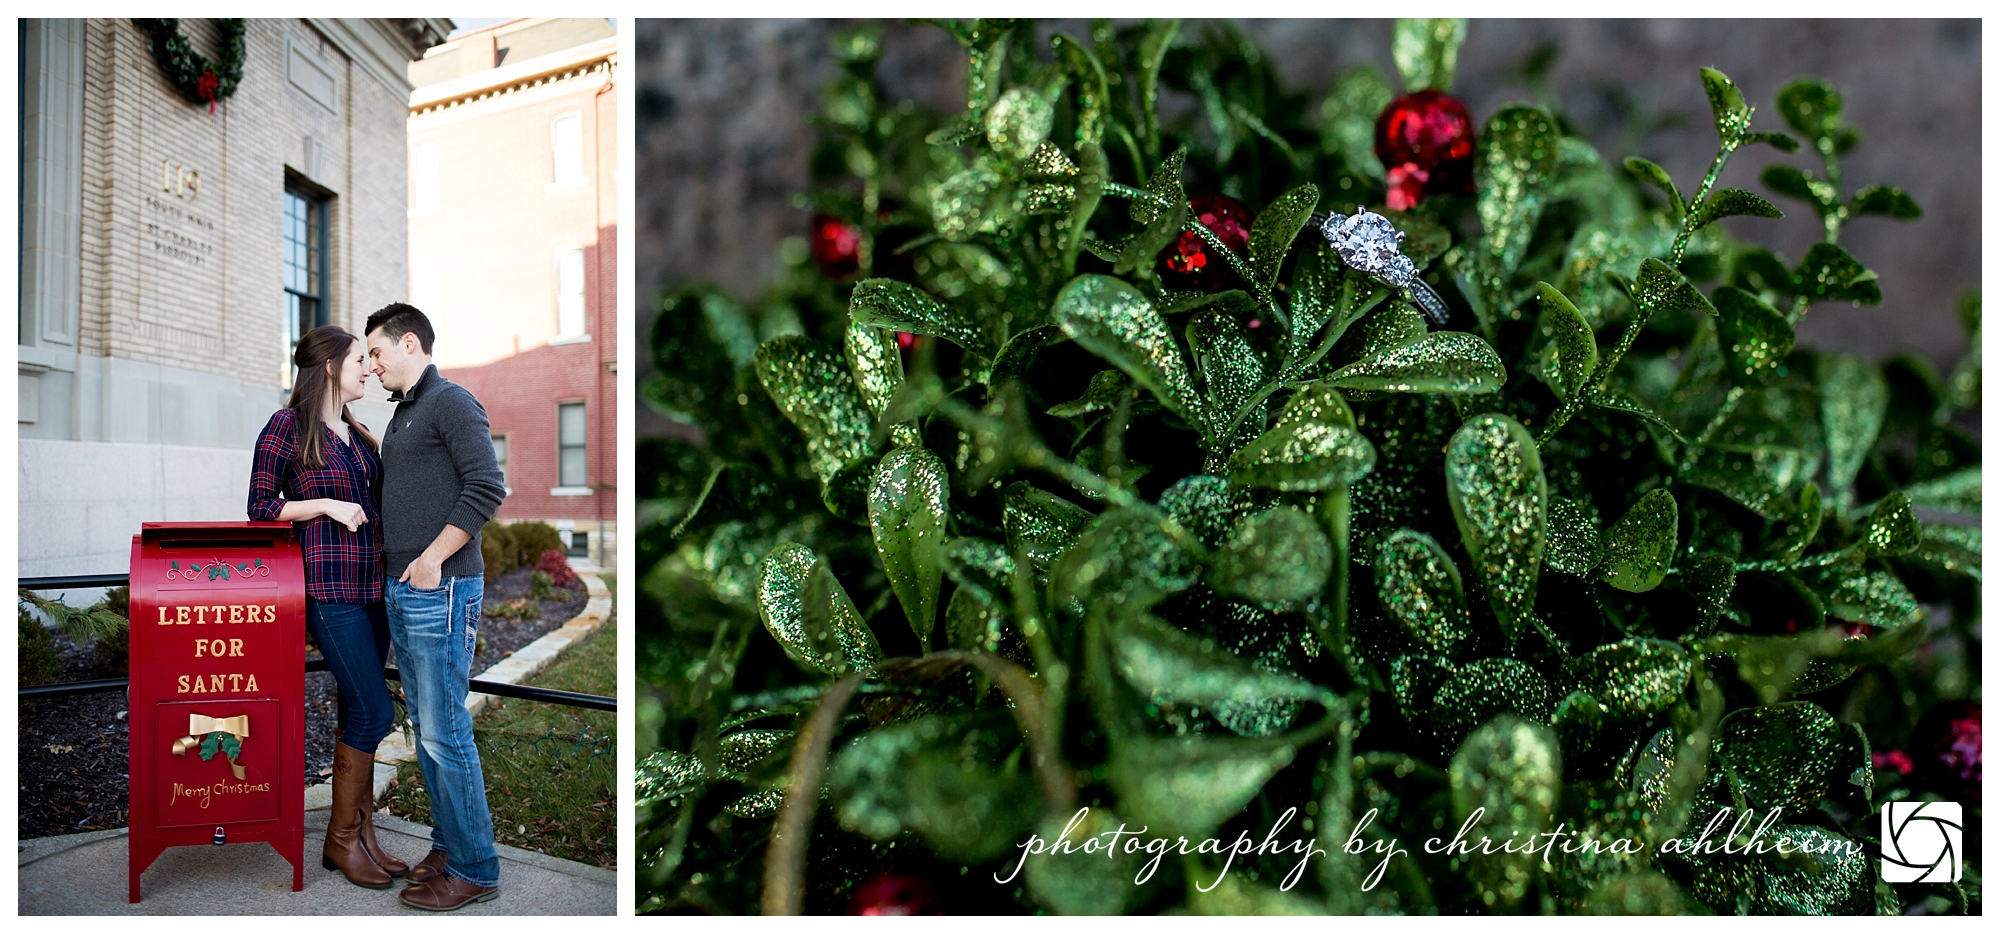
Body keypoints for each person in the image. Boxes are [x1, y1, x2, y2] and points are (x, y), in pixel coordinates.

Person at [247, 326, 411, 889]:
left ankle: (363, 836)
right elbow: (260, 507)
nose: (368, 368)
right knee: (375, 713)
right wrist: (328, 506)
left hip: (373, 594)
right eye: (359, 360)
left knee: (354, 714)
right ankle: (340, 840)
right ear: (329, 367)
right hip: (328, 592)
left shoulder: (360, 434)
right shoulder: (286, 427)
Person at [364, 303, 508, 911]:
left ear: (411, 344)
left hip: (439, 588)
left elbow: (487, 486)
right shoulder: (405, 414)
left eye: (376, 351)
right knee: (427, 731)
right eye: (366, 356)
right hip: (408, 587)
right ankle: (449, 844)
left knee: (445, 731)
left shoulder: (450, 401)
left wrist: (431, 560)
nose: (371, 365)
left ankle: (476, 867)